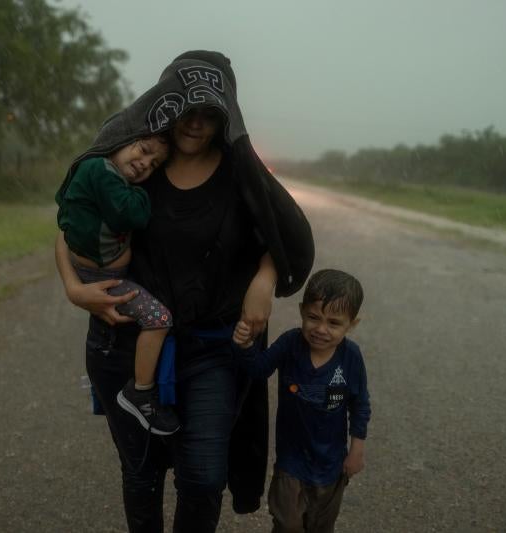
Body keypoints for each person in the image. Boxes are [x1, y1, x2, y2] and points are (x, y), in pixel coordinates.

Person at [54, 50, 315, 532]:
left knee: (203, 476)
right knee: (141, 474)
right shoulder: (139, 162)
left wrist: (264, 278)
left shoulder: (240, 176)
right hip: (127, 345)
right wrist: (74, 288)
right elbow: (71, 225)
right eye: (185, 110)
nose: (195, 123)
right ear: (165, 108)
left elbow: (275, 239)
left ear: (224, 116)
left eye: (209, 113)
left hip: (213, 348)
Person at [55, 133, 180, 435]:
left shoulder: (103, 176)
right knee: (159, 319)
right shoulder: (101, 170)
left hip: (105, 277)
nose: (144, 164)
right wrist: (142, 195)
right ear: (121, 140)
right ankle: (140, 391)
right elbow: (131, 214)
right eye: (143, 150)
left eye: (154, 164)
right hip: (106, 282)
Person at [232, 269, 371, 533]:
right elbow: (259, 370)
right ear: (301, 311)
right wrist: (245, 345)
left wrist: (357, 450)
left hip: (330, 464)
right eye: (313, 317)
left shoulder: (351, 357)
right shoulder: (290, 344)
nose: (321, 329)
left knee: (320, 525)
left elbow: (360, 404)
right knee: (287, 523)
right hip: (291, 460)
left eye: (334, 323)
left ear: (352, 324)